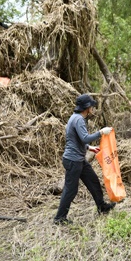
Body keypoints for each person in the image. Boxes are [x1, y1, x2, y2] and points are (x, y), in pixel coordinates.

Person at [54, 94, 116, 225]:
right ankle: (59, 218)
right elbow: (84, 138)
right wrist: (101, 132)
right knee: (71, 190)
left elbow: (75, 139)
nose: (93, 108)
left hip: (79, 159)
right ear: (87, 107)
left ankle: (102, 207)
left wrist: (89, 148)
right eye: (91, 106)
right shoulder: (79, 120)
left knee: (93, 181)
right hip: (73, 160)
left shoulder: (75, 118)